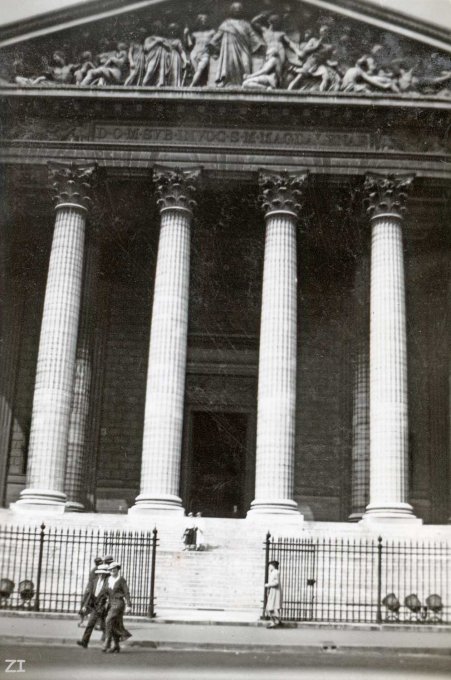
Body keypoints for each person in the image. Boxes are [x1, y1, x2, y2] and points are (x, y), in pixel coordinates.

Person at [207, 1, 263, 86]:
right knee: (230, 67)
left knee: (246, 65)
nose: (237, 10)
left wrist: (261, 45)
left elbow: (253, 36)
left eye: (239, 9)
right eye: (235, 9)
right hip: (229, 51)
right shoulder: (226, 23)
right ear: (232, 10)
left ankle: (245, 83)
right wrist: (212, 47)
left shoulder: (246, 24)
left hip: (244, 49)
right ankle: (228, 83)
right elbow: (217, 37)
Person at [102, 562, 132, 653]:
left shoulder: (121, 580)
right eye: (110, 569)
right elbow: (103, 592)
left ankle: (107, 641)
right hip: (110, 602)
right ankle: (116, 645)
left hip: (118, 602)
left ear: (118, 569)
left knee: (108, 619)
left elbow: (126, 592)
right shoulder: (107, 579)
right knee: (115, 624)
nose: (112, 571)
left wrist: (129, 605)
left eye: (114, 569)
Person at [77, 566, 109, 647]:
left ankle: (106, 642)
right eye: (100, 573)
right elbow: (89, 595)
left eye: (103, 573)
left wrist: (107, 604)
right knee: (90, 624)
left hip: (104, 606)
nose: (101, 575)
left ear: (105, 574)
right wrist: (85, 605)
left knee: (105, 626)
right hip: (95, 606)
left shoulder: (108, 582)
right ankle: (85, 641)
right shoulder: (94, 581)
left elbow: (110, 595)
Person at [78, 556, 103, 626]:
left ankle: (97, 622)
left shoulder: (100, 570)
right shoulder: (94, 570)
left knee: (96, 605)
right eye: (99, 563)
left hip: (95, 589)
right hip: (91, 588)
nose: (100, 564)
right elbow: (92, 581)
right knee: (85, 603)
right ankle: (82, 621)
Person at [265, 560, 282, 628]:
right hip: (273, 591)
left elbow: (276, 582)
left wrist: (268, 585)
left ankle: (274, 622)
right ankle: (277, 622)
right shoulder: (273, 572)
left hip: (275, 592)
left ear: (273, 566)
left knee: (271, 607)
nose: (269, 567)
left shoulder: (276, 572)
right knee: (271, 607)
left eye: (270, 565)